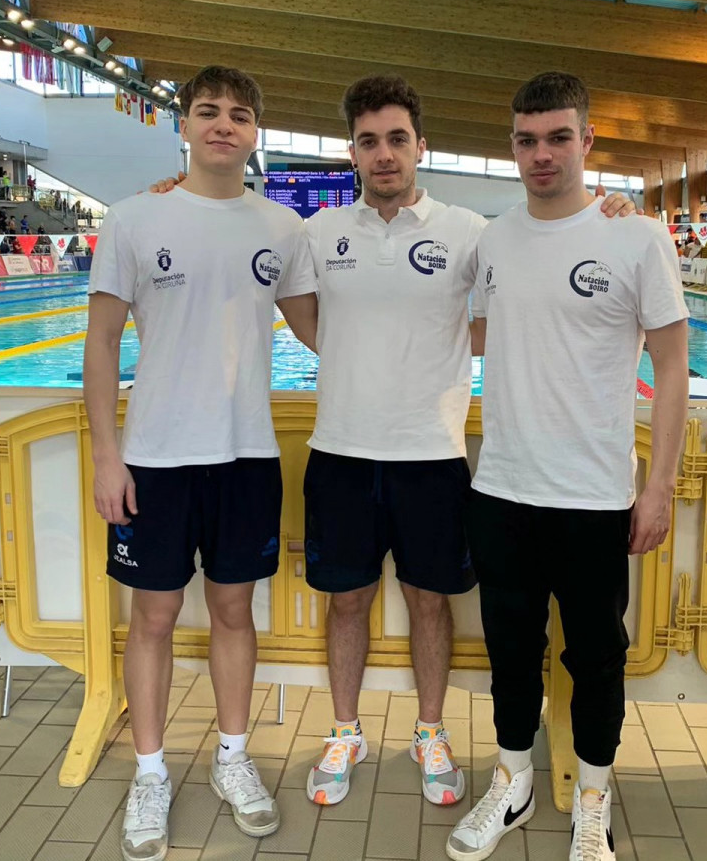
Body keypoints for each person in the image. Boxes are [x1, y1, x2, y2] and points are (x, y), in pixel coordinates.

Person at [294, 75, 635, 811]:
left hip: (433, 454)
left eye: (396, 139)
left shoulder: (470, 233)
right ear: (351, 151)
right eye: (367, 141)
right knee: (346, 602)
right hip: (342, 452)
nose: (383, 154)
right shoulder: (322, 233)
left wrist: (614, 211)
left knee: (428, 602)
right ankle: (345, 729)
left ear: (422, 146)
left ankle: (429, 731)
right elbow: (297, 310)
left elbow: (533, 278)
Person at [447, 71, 688, 861]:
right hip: (503, 488)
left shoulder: (636, 237)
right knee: (510, 651)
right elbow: (470, 331)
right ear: (511, 146)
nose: (541, 154)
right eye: (526, 139)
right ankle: (513, 781)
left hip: (593, 496)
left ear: (588, 142)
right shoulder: (494, 239)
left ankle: (592, 796)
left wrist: (659, 488)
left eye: (558, 137)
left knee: (596, 658)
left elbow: (674, 368)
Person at [83, 65, 318, 861]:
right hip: (153, 457)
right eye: (208, 111)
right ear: (182, 124)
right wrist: (107, 455)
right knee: (150, 618)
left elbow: (328, 331)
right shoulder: (133, 219)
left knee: (231, 614)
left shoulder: (284, 229)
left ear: (255, 134)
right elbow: (102, 344)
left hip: (246, 455)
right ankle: (150, 772)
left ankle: (232, 757)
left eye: (240, 115)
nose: (224, 124)